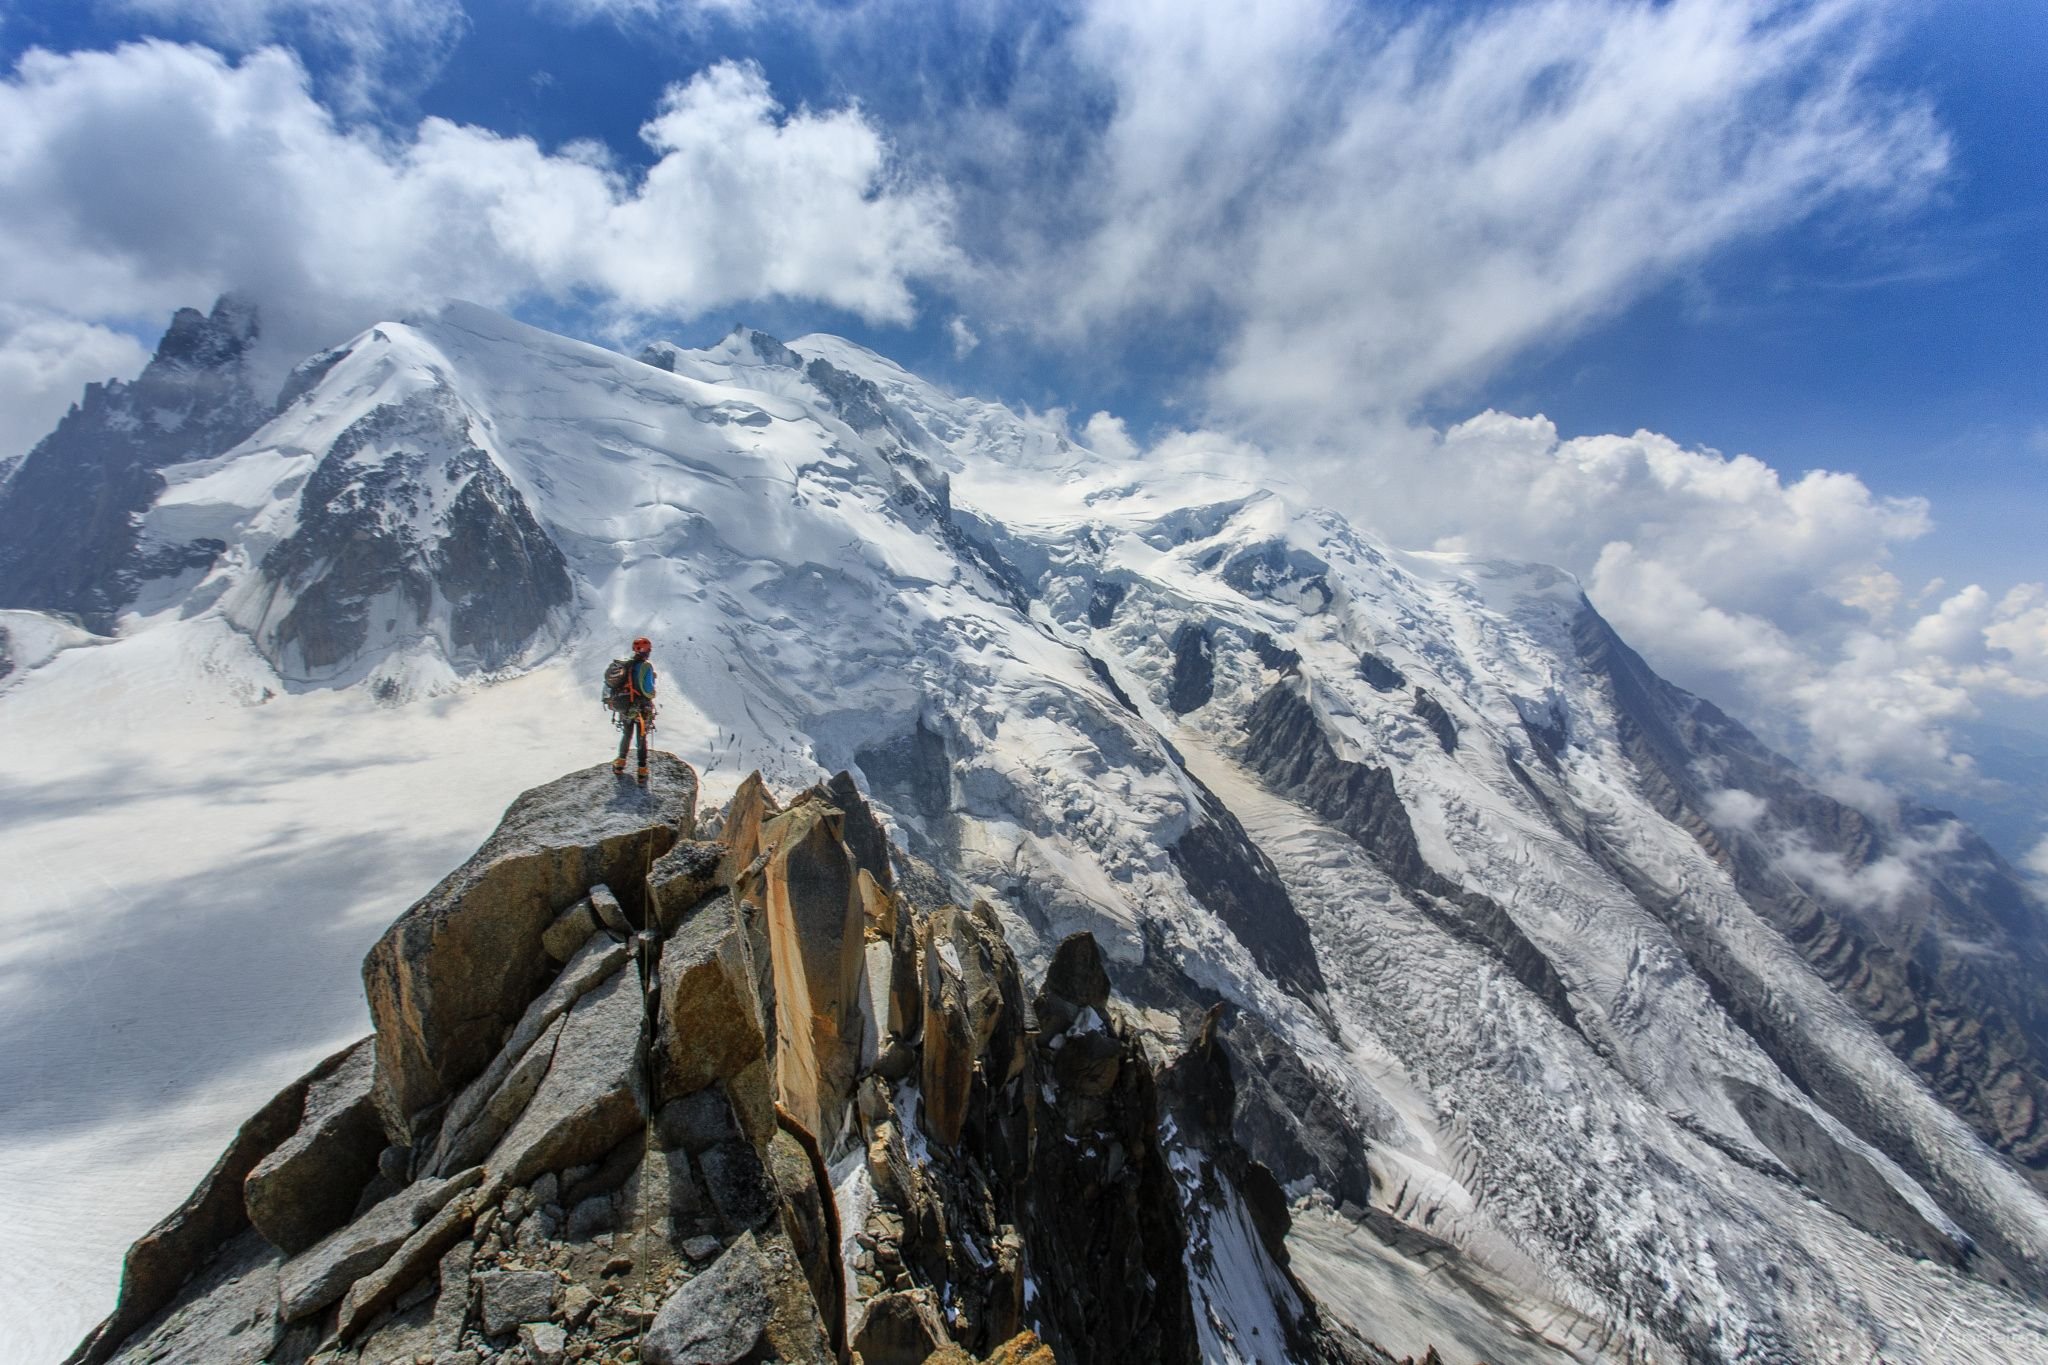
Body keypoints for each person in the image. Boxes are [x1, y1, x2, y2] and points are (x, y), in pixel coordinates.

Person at [612, 636, 657, 783]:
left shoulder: (627, 665)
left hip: (626, 707)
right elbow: (648, 690)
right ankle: (642, 770)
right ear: (647, 651)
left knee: (627, 734)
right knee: (641, 737)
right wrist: (652, 691)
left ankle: (620, 762)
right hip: (642, 707)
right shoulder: (646, 666)